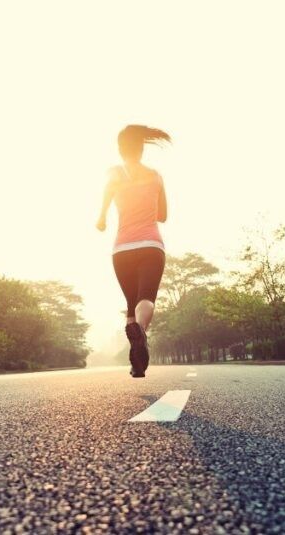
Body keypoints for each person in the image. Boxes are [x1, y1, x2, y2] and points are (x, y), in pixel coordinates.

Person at [96, 125, 170, 378]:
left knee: (130, 303)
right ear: (142, 149)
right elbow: (163, 215)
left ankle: (136, 362)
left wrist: (102, 218)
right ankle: (140, 333)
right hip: (151, 246)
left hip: (122, 249)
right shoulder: (156, 176)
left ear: (120, 149)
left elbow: (103, 208)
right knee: (145, 298)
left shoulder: (114, 173)